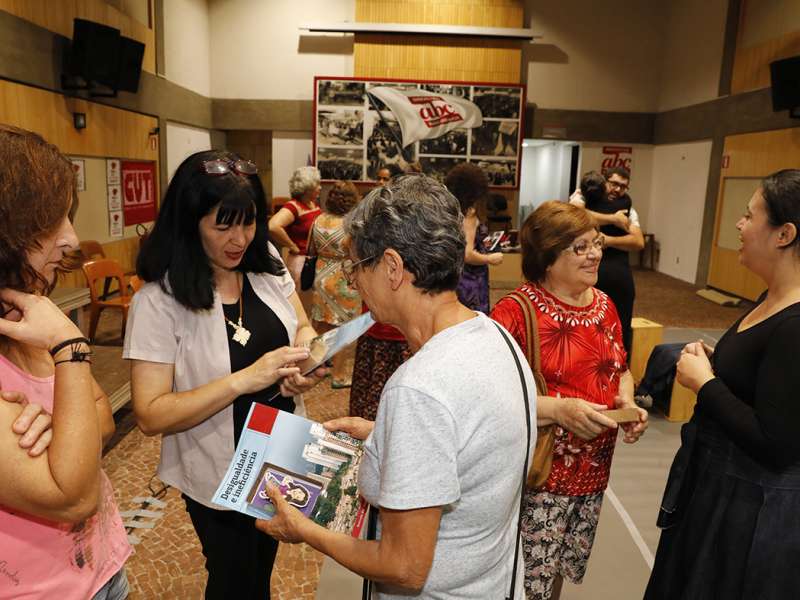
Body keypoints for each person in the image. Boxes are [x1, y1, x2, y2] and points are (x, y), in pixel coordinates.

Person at [257, 174, 536, 599]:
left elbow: (403, 567)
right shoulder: (495, 336)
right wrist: (386, 435)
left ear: (391, 266)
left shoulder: (419, 388)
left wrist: (304, 529)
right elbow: (475, 443)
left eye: (356, 267)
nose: (353, 283)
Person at [123, 150, 327, 599]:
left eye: (249, 222)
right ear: (190, 221)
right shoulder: (160, 301)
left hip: (279, 449)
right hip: (218, 467)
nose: (239, 238)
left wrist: (306, 361)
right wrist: (246, 378)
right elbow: (151, 413)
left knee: (259, 572)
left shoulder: (266, 261)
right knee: (234, 579)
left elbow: (304, 327)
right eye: (223, 225)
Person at [645, 169, 800, 600]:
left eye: (749, 216)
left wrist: (706, 385)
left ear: (783, 234)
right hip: (717, 492)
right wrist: (722, 370)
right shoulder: (770, 299)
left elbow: (776, 442)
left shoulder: (794, 323)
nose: (739, 225)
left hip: (750, 510)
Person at [491, 201, 648, 600]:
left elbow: (620, 367)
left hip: (592, 476)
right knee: (524, 580)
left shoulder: (604, 305)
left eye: (595, 243)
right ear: (546, 255)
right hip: (540, 477)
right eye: (579, 247)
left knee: (558, 572)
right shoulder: (514, 313)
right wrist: (559, 410)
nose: (595, 253)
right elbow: (489, 398)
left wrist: (625, 402)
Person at [0, 125, 130, 599]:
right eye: (50, 222)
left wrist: (63, 435)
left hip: (101, 573)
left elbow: (103, 418)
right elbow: (72, 495)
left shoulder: (25, 317)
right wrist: (71, 350)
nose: (72, 239)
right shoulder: (48, 333)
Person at [349, 166, 410, 420]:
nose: (381, 182)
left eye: (387, 180)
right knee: (368, 402)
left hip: (400, 332)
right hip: (373, 328)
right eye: (380, 178)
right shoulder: (365, 226)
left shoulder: (405, 228)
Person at [569, 168, 644, 356]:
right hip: (584, 273)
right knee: (583, 325)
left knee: (619, 325)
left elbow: (637, 241)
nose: (617, 190)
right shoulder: (583, 195)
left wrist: (606, 240)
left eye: (623, 187)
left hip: (618, 273)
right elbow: (576, 212)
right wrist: (613, 219)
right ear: (604, 181)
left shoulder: (628, 208)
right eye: (614, 184)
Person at [309, 180, 362, 387]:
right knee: (345, 330)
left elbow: (311, 249)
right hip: (344, 279)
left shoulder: (318, 220)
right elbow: (355, 253)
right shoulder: (351, 225)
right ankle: (339, 376)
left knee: (321, 326)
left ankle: (317, 369)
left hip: (321, 277)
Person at [444, 163, 503, 313]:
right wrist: (490, 259)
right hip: (470, 281)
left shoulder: (455, 212)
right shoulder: (469, 215)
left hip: (457, 276)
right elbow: (467, 254)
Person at [268, 166, 322, 308]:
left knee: (309, 305)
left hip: (311, 261)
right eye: (317, 184)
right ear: (307, 186)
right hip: (300, 263)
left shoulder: (312, 204)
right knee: (299, 306)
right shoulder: (293, 206)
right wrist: (293, 246)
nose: (320, 188)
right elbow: (273, 226)